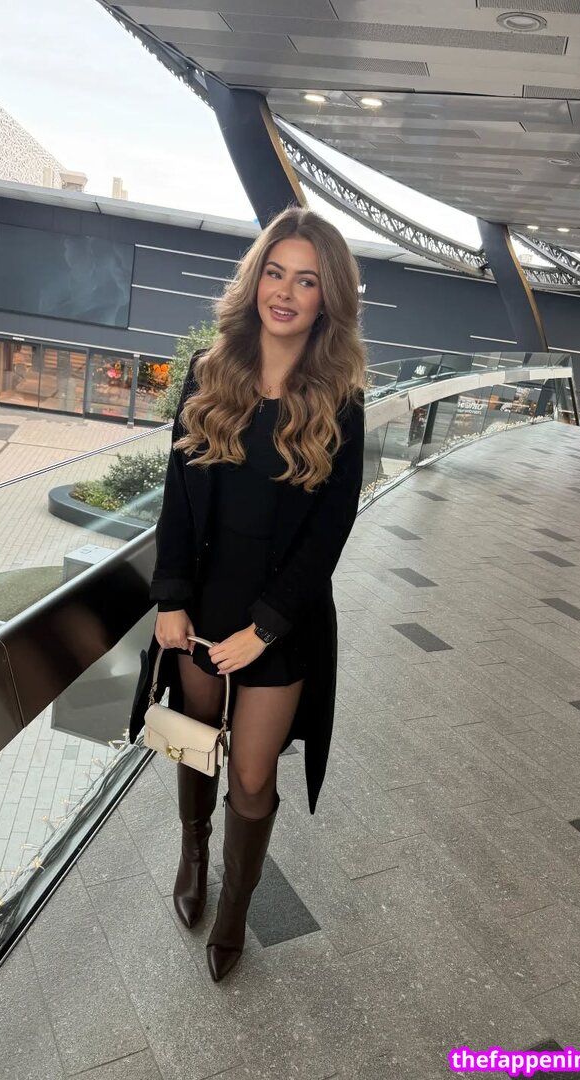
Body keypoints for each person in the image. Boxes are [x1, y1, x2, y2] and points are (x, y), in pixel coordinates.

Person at [128, 206, 366, 981]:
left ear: (328, 299)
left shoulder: (341, 400)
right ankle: (194, 853)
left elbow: (329, 531)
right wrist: (170, 599)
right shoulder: (209, 372)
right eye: (275, 272)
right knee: (196, 738)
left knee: (254, 775)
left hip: (281, 621)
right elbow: (176, 495)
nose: (285, 292)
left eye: (307, 280)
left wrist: (264, 629)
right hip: (202, 605)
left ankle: (235, 905)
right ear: (255, 278)